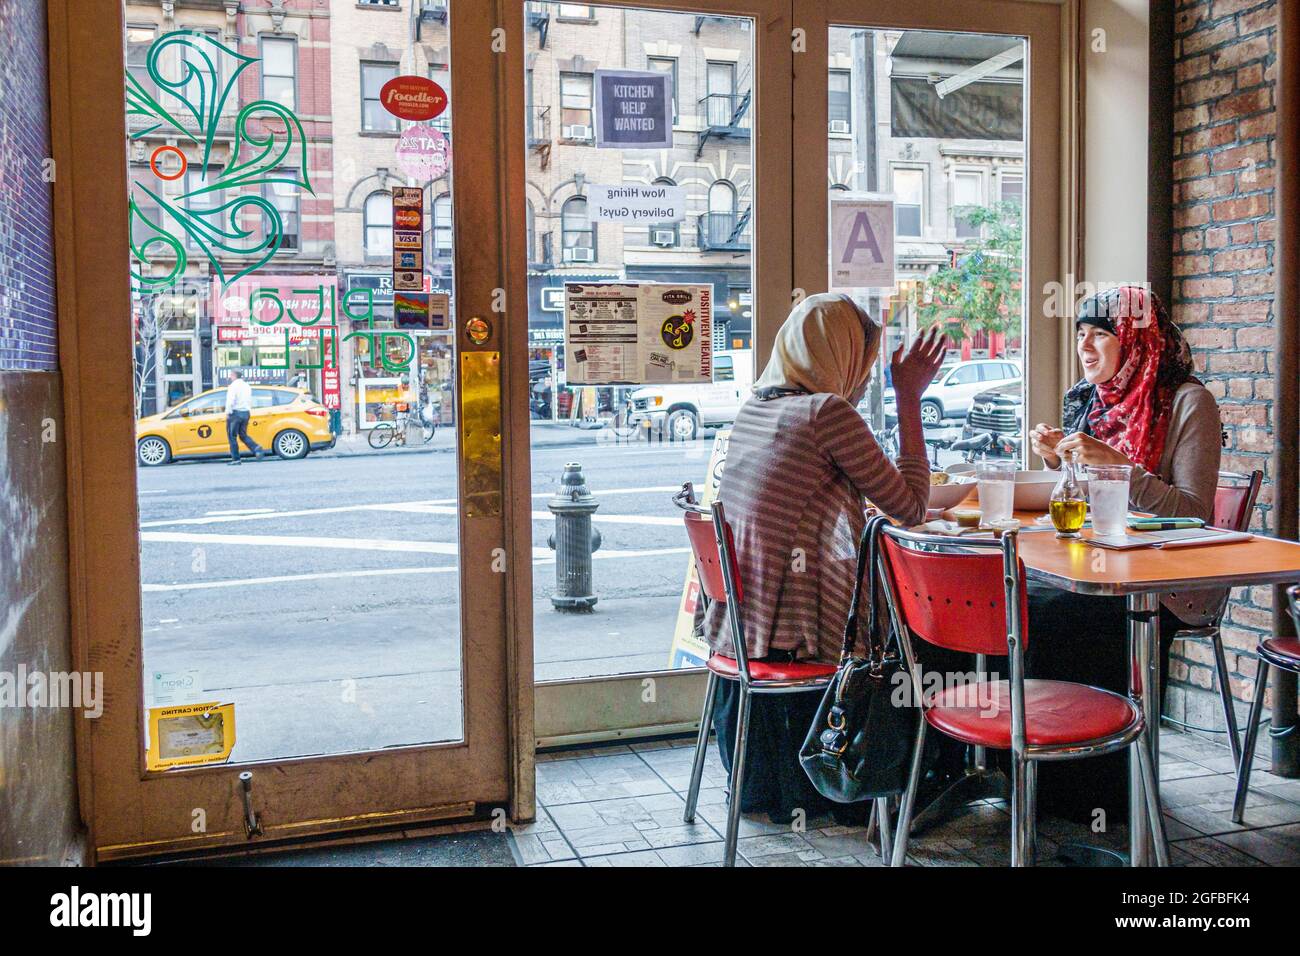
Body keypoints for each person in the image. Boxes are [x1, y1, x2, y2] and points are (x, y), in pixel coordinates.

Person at [701, 292, 946, 821]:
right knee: (926, 632)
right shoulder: (825, 412)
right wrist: (908, 399)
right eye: (863, 355)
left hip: (746, 626)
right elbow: (908, 507)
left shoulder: (756, 408)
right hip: (799, 629)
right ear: (843, 355)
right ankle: (904, 781)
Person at [1023, 285, 1222, 822]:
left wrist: (1118, 468)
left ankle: (1101, 792)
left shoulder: (1186, 402)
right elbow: (1080, 505)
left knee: (1045, 614)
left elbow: (1193, 515)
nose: (1085, 348)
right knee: (1015, 604)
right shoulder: (1086, 399)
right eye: (1080, 335)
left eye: (1101, 336)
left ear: (1136, 341)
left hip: (1164, 584)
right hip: (1097, 565)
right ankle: (1041, 781)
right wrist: (1056, 464)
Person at [224, 370, 265, 465]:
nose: (230, 377)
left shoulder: (233, 386)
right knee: (243, 435)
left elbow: (230, 400)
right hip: (246, 413)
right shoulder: (247, 386)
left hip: (235, 413)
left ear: (234, 375)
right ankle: (255, 447)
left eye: (231, 375)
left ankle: (236, 459)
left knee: (232, 436)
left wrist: (228, 412)